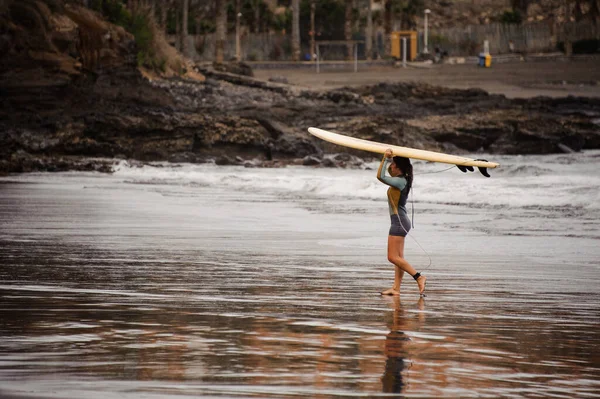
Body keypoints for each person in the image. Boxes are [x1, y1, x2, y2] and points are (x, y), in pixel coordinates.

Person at [377, 149, 426, 296]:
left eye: (393, 164)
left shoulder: (400, 181)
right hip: (401, 221)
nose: (391, 166)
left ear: (398, 167)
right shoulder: (402, 179)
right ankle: (396, 289)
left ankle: (419, 277)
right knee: (398, 259)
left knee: (392, 257)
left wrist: (385, 158)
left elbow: (380, 176)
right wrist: (389, 159)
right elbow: (387, 175)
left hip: (398, 223)